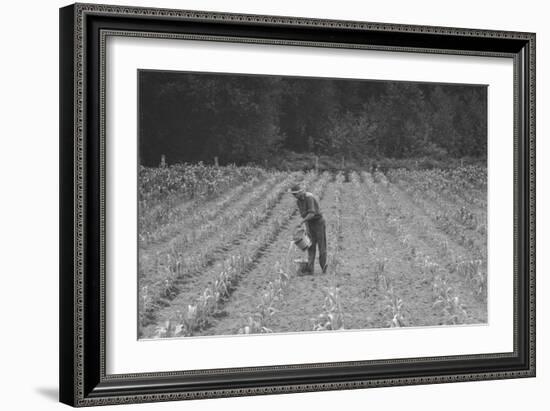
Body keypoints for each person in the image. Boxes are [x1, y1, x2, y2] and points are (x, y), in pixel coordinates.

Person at [289, 184, 328, 275]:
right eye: (293, 195)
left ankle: (324, 267)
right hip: (309, 224)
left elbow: (312, 213)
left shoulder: (309, 197)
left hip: (318, 222)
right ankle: (310, 269)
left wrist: (302, 222)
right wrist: (304, 223)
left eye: (295, 194)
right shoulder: (299, 202)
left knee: (321, 245)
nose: (294, 196)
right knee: (310, 246)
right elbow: (304, 214)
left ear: (300, 192)